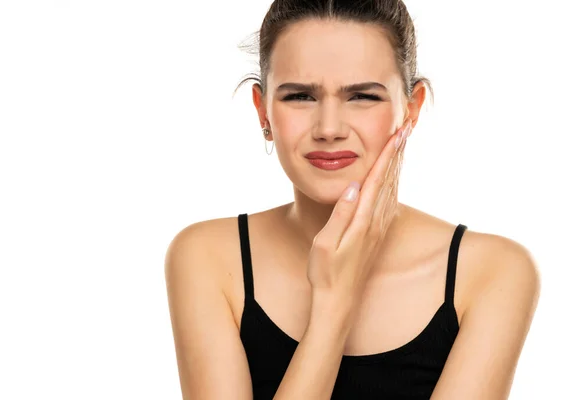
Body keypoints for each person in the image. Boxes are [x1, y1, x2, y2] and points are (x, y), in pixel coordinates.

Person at [164, 0, 541, 398]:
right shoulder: (207, 257)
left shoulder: (491, 272)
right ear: (263, 113)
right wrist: (333, 304)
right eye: (300, 97)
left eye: (362, 96)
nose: (329, 128)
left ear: (411, 110)